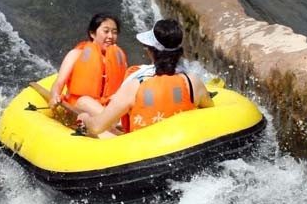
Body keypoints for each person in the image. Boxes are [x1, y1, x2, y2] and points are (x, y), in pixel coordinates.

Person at [77, 19, 213, 137]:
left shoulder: (135, 86)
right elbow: (211, 112)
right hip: (181, 145)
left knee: (94, 121)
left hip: (141, 153)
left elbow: (97, 126)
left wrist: (85, 119)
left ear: (151, 52)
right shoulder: (192, 82)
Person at [49, 14, 128, 117]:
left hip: (105, 109)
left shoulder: (120, 60)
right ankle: (114, 123)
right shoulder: (75, 54)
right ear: (92, 34)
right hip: (80, 108)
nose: (110, 36)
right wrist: (55, 95)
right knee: (84, 101)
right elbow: (59, 83)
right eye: (106, 31)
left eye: (114, 32)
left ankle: (114, 123)